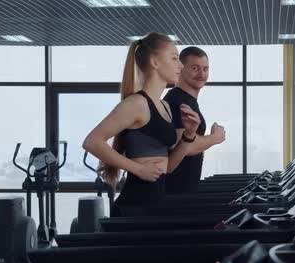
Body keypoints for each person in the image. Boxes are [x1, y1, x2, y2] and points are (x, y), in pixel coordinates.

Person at [83, 32, 201, 217]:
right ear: (155, 62)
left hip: (157, 204)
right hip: (133, 206)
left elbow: (168, 167)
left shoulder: (165, 107)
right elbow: (92, 141)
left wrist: (189, 135)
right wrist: (138, 169)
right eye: (174, 58)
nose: (180, 65)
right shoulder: (137, 104)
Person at [163, 46, 226, 194]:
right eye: (195, 68)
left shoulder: (187, 100)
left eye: (205, 69)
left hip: (185, 189)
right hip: (173, 191)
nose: (202, 74)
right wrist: (214, 138)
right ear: (181, 68)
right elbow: (184, 146)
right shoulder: (177, 100)